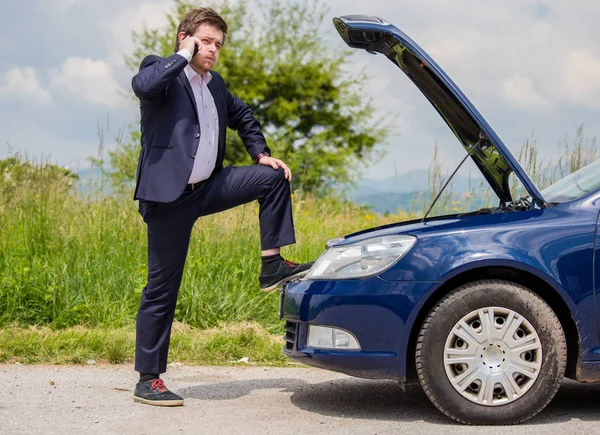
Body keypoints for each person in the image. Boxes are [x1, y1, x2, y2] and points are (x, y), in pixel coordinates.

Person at [130, 7, 312, 407]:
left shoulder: (215, 85)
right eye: (206, 41)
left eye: (217, 44)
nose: (212, 50)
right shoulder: (161, 70)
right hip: (168, 199)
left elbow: (243, 114)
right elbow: (142, 86)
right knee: (162, 288)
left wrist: (261, 153)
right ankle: (149, 379)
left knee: (273, 177)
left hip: (207, 188)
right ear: (186, 37)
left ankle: (272, 264)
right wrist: (182, 55)